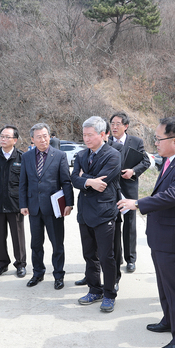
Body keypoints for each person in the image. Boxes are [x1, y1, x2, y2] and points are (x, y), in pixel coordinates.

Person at [118, 117, 175, 348]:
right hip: (162, 235)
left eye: (159, 138)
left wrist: (137, 203)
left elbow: (172, 197)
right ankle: (169, 321)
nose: (155, 143)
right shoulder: (170, 161)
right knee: (165, 284)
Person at [71, 117, 121, 312]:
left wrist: (84, 178)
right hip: (84, 212)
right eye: (84, 135)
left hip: (104, 212)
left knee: (106, 256)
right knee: (89, 254)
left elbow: (104, 182)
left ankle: (109, 294)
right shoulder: (82, 155)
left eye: (90, 135)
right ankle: (94, 289)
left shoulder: (113, 155)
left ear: (102, 134)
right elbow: (73, 178)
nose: (86, 138)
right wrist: (88, 181)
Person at [20, 123, 74, 290]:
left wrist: (69, 203)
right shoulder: (26, 157)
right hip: (34, 207)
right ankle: (38, 273)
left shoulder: (59, 155)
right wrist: (23, 204)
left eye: (45, 136)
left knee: (57, 244)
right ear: (32, 139)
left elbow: (66, 181)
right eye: (39, 137)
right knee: (36, 244)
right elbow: (23, 183)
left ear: (49, 136)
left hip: (54, 208)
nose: (43, 140)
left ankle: (58, 275)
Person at [109, 112, 150, 273]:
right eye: (112, 123)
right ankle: (116, 257)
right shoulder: (107, 142)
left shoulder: (136, 141)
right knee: (113, 223)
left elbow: (145, 161)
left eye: (118, 124)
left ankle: (130, 259)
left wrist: (133, 171)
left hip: (129, 188)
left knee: (130, 224)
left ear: (126, 126)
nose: (114, 127)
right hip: (111, 189)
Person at [0, 125, 27, 278]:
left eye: (7, 137)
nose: (3, 139)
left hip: (16, 204)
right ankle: (2, 263)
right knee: (0, 236)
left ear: (15, 140)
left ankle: (21, 264)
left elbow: (26, 183)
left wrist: (25, 204)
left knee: (18, 236)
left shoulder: (22, 158)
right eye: (1, 136)